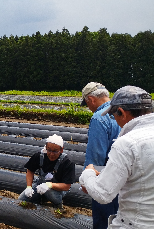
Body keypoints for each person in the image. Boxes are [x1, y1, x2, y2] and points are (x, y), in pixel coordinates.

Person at [80, 85, 154, 228]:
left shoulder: (126, 143)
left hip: (133, 222)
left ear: (121, 112)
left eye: (114, 115)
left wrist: (87, 175)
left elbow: (103, 193)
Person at [81, 82, 121, 229]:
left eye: (87, 103)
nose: (89, 107)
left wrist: (88, 179)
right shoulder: (124, 112)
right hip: (124, 179)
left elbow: (96, 156)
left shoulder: (99, 118)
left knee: (104, 220)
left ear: (91, 99)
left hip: (106, 179)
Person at [18, 134, 75, 209]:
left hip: (58, 189)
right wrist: (29, 187)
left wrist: (50, 185)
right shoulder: (39, 156)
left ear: (61, 150)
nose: (51, 154)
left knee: (49, 191)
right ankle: (40, 200)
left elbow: (66, 186)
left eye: (55, 151)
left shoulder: (67, 162)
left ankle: (58, 205)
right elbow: (30, 170)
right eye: (49, 150)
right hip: (40, 184)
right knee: (22, 200)